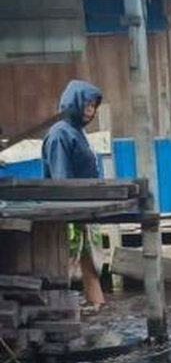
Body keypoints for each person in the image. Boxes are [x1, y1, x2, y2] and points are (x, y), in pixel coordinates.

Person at [42, 80, 106, 309]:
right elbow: (61, 180)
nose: (90, 111)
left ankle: (97, 306)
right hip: (68, 211)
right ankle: (60, 314)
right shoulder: (60, 134)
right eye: (87, 105)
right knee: (65, 265)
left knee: (89, 264)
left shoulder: (77, 132)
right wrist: (72, 207)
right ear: (74, 103)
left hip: (84, 209)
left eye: (93, 106)